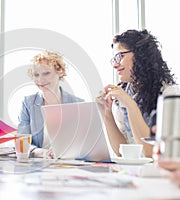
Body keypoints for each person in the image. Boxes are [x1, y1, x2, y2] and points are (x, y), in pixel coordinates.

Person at [97, 29, 178, 158]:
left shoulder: (169, 95)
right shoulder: (123, 96)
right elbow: (121, 151)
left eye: (120, 56)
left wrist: (130, 104)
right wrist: (106, 114)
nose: (115, 65)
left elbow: (151, 152)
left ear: (141, 56)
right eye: (114, 59)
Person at [17, 50, 84, 158]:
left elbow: (84, 143)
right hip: (38, 164)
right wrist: (41, 152)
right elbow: (22, 141)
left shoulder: (78, 104)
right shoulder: (28, 103)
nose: (40, 80)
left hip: (69, 164)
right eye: (36, 75)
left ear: (60, 72)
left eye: (46, 73)